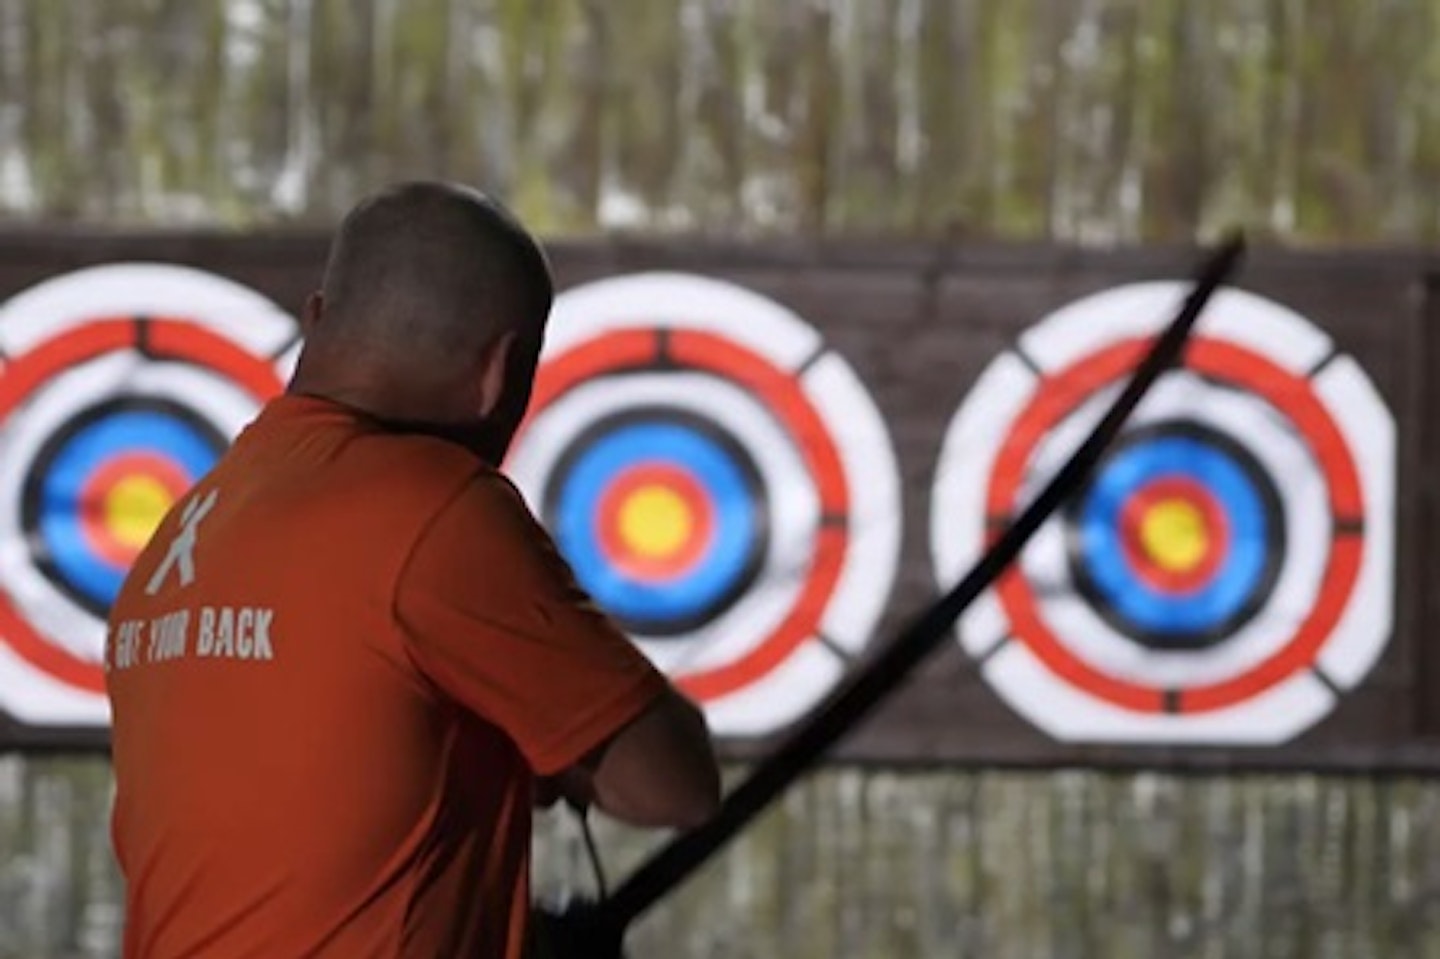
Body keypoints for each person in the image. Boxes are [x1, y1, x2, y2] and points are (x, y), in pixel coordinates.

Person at [105, 181, 721, 959]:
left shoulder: (190, 531)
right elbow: (671, 784)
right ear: (503, 372)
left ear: (316, 320)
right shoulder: (434, 506)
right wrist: (556, 743)